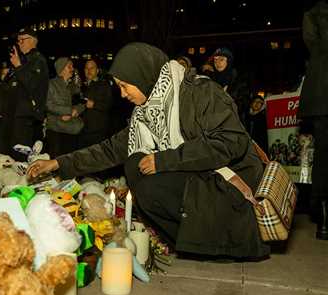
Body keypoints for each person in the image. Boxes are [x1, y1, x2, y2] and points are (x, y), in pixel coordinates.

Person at [27, 42, 269, 260]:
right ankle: (197, 244)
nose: (123, 94)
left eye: (125, 86)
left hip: (232, 185)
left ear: (142, 76)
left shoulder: (199, 92)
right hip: (203, 179)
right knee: (135, 164)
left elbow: (231, 141)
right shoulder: (146, 113)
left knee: (150, 180)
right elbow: (111, 149)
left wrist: (165, 160)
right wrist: (58, 163)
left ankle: (227, 242)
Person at [0, 27, 49, 161]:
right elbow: (10, 87)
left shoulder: (38, 60)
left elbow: (33, 85)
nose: (19, 43)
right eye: (18, 40)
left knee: (18, 157)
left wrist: (18, 66)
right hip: (10, 115)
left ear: (33, 41)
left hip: (24, 118)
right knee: (4, 156)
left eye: (22, 40)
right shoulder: (22, 60)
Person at [299, 0, 328, 240]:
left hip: (321, 97)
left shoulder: (312, 15)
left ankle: (321, 210)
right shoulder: (314, 15)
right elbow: (319, 49)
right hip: (323, 96)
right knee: (325, 155)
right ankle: (322, 211)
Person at [45, 57, 85, 158]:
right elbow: (48, 105)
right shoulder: (51, 84)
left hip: (71, 129)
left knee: (68, 161)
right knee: (55, 161)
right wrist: (68, 111)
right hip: (56, 130)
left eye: (72, 66)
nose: (73, 69)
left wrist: (76, 110)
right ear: (61, 68)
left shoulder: (74, 87)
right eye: (69, 66)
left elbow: (83, 102)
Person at [78, 59, 113, 149]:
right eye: (86, 68)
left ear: (97, 70)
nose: (89, 70)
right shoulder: (80, 85)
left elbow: (109, 105)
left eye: (92, 68)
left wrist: (94, 104)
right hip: (81, 130)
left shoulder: (104, 85)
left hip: (98, 131)